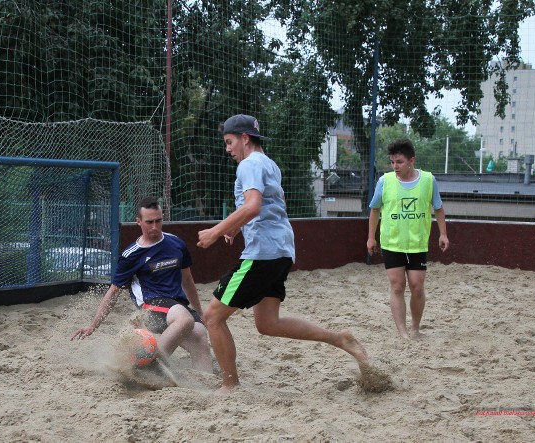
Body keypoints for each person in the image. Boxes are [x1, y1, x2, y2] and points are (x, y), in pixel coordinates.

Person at [197, 114, 369, 393]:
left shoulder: (249, 164)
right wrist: (237, 227)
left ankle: (229, 385)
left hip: (262, 253)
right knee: (268, 323)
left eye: (229, 142)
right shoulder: (269, 164)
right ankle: (340, 339)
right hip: (281, 250)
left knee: (213, 317)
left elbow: (253, 206)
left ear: (244, 138)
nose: (227, 149)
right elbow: (275, 204)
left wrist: (216, 230)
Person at [71, 196, 213, 373]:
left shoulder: (176, 243)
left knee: (200, 335)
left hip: (176, 305)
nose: (155, 227)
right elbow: (113, 291)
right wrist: (93, 325)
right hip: (150, 306)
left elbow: (187, 280)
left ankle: (204, 386)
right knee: (185, 319)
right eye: (149, 222)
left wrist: (199, 311)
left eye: (159, 221)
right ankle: (151, 365)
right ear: (138, 221)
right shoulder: (131, 254)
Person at [367, 139, 450, 340]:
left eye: (400, 162)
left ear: (411, 160)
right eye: (392, 162)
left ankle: (415, 328)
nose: (395, 166)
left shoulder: (428, 180)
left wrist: (443, 233)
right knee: (397, 286)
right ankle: (403, 333)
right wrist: (371, 237)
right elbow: (375, 209)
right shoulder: (384, 181)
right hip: (392, 242)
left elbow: (438, 208)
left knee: (416, 285)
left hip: (417, 243)